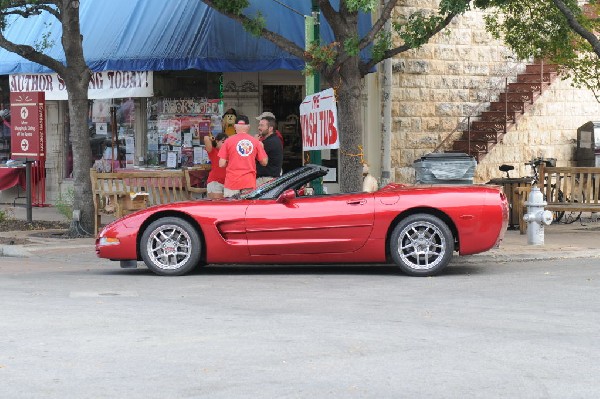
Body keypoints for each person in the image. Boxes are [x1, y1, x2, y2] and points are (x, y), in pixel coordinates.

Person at [218, 115, 268, 198]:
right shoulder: (255, 142)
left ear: (235, 126)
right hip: (248, 182)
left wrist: (230, 161)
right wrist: (261, 148)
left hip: (232, 182)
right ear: (248, 127)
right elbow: (264, 162)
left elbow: (221, 164)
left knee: (232, 209)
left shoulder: (228, 141)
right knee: (247, 209)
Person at [255, 116, 283, 187]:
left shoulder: (270, 142)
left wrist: (254, 142)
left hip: (265, 180)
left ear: (270, 128)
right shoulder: (273, 140)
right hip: (268, 179)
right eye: (259, 125)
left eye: (262, 125)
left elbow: (253, 156)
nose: (259, 128)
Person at [203, 133, 228, 199]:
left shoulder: (228, 152)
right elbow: (206, 138)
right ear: (217, 141)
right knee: (217, 204)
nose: (225, 144)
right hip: (215, 182)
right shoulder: (213, 151)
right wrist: (212, 139)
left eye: (226, 142)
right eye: (223, 142)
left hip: (227, 183)